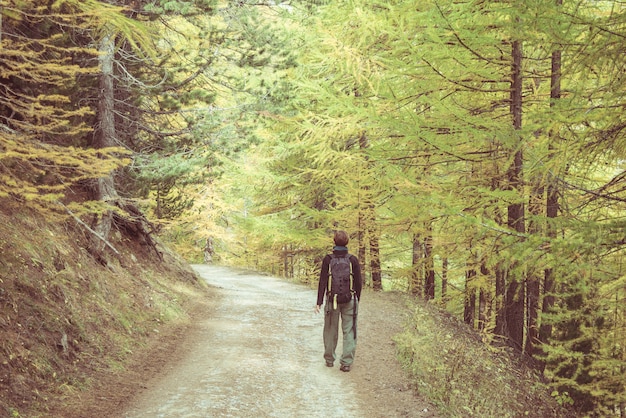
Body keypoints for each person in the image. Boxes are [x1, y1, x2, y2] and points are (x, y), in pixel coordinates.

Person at [315, 230, 362, 372]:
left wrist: (319, 302)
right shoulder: (352, 259)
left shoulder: (328, 259)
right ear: (347, 242)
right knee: (349, 331)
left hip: (331, 299)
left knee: (330, 330)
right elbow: (359, 283)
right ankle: (346, 363)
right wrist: (356, 300)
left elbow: (323, 281)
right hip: (350, 300)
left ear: (334, 241)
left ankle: (329, 360)